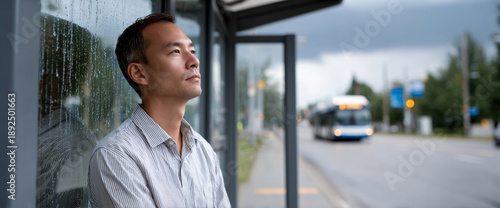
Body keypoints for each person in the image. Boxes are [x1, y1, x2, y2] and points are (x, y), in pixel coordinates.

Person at [88, 12, 230, 207]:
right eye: (175, 52)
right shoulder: (116, 155)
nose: (194, 62)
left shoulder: (203, 151)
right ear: (139, 73)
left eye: (192, 51)